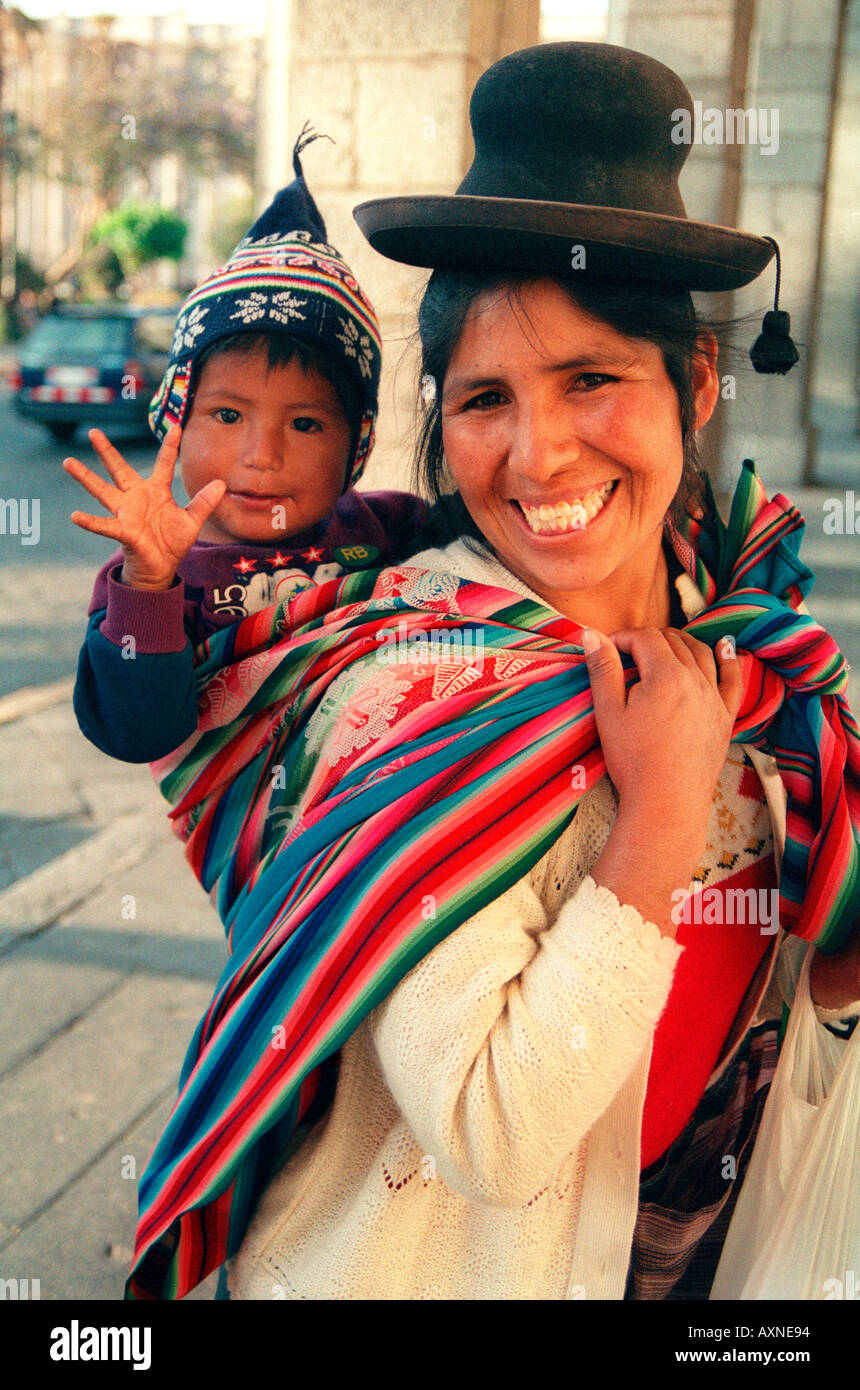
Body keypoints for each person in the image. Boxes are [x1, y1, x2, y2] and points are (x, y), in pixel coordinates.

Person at [124, 43, 860, 1302]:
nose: (538, 454)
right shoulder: (408, 689)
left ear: (690, 383)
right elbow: (491, 1131)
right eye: (482, 400)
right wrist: (664, 811)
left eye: (590, 381)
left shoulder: (741, 638)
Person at [67, 131, 429, 762]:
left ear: (356, 445)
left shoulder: (393, 528)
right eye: (228, 414)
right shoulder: (154, 579)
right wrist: (149, 587)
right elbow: (137, 734)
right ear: (176, 416)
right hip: (262, 845)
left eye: (306, 424)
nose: (263, 454)